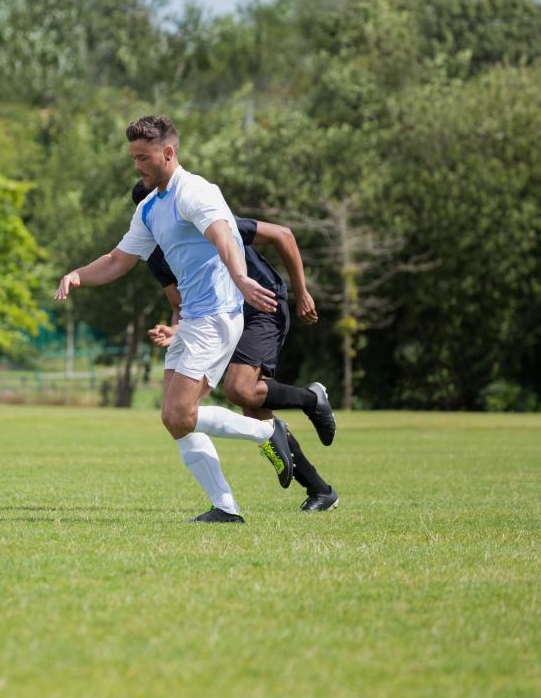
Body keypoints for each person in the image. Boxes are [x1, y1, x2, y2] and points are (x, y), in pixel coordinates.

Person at [55, 115, 293, 524]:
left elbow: (223, 236)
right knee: (175, 420)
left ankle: (269, 433)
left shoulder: (195, 192)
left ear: (168, 152)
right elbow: (117, 260)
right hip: (193, 317)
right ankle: (225, 507)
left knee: (179, 413)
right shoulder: (150, 207)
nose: (137, 167)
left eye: (143, 157)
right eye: (132, 158)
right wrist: (78, 274)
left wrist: (240, 278)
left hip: (216, 315)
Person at [135, 182, 339, 512]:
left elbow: (283, 235)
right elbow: (181, 302)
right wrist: (176, 330)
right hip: (214, 319)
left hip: (261, 306)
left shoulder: (201, 217)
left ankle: (311, 398)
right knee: (253, 408)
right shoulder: (156, 253)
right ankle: (319, 489)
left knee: (241, 390)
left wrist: (301, 292)